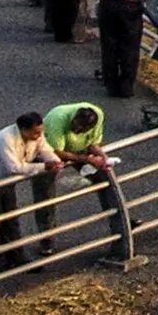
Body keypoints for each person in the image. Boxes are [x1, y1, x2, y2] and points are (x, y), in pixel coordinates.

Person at [0, 112, 59, 273]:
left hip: (5, 179)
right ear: (23, 129)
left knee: (11, 219)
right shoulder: (6, 139)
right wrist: (43, 167)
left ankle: (17, 256)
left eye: (40, 131)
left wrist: (54, 160)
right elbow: (14, 167)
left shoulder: (36, 136)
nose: (38, 135)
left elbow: (44, 149)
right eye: (35, 132)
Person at [35, 102, 113, 255]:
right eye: (74, 127)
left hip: (79, 151)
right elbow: (57, 152)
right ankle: (46, 238)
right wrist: (87, 159)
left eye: (80, 130)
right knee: (45, 194)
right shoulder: (57, 119)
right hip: (49, 154)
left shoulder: (98, 113)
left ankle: (119, 218)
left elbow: (93, 143)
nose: (76, 130)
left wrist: (103, 157)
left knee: (104, 180)